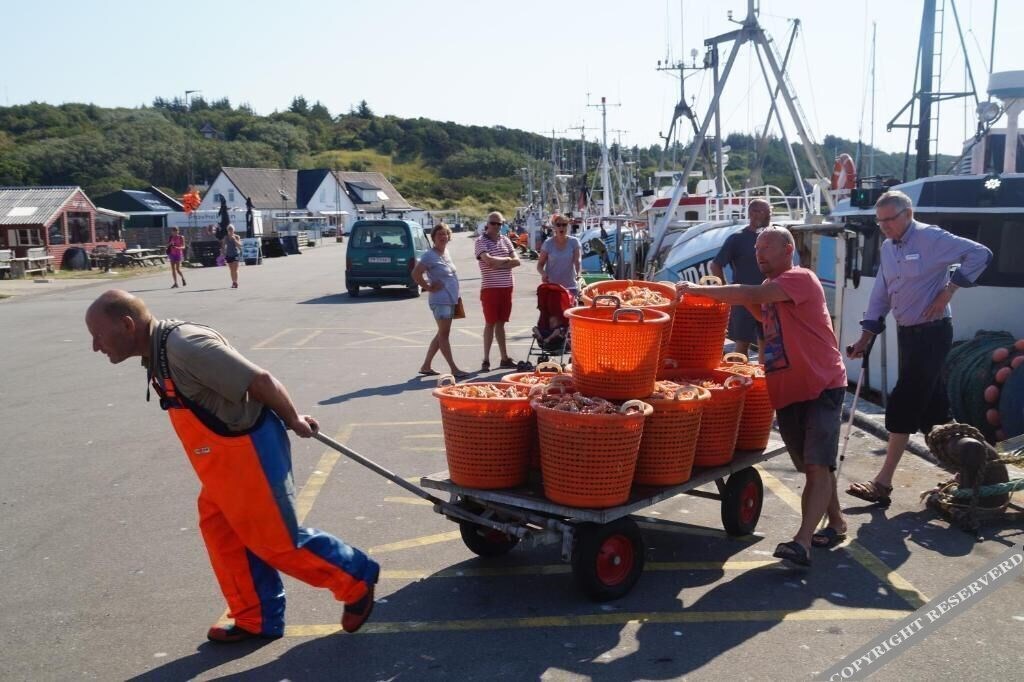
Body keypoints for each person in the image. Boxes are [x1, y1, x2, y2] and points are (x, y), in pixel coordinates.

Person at [84, 290, 379, 642]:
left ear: (127, 324)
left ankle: (355, 577)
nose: (95, 346)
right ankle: (256, 617)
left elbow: (261, 381)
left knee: (276, 540)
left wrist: (293, 418)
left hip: (249, 450)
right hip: (222, 462)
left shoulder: (184, 346)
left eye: (98, 335)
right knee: (222, 532)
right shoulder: (157, 351)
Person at [677, 227, 848, 568]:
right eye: (756, 248)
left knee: (816, 465)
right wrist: (735, 296)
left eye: (766, 246)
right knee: (816, 465)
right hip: (788, 391)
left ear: (788, 249)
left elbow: (748, 292)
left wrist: (697, 290)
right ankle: (837, 522)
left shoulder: (800, 278)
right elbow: (756, 306)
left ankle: (802, 542)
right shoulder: (771, 292)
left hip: (821, 385)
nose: (759, 253)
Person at [845, 190, 992, 505]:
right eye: (879, 221)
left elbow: (980, 253)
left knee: (904, 401)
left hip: (933, 332)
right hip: (908, 334)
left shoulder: (931, 238)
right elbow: (881, 294)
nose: (884, 226)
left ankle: (883, 483)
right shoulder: (888, 247)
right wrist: (864, 338)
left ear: (908, 214)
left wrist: (949, 290)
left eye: (889, 219)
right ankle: (968, 465)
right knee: (933, 408)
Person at [710, 198, 772, 357]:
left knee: (766, 343)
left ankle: (763, 373)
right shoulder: (737, 238)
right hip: (744, 300)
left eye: (769, 212)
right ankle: (738, 372)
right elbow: (716, 265)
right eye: (764, 211)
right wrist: (727, 292)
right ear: (752, 213)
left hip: (768, 299)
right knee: (742, 345)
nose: (768, 215)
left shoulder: (773, 237)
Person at [412, 223, 469, 378]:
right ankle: (454, 369)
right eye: (439, 234)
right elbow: (416, 273)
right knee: (444, 335)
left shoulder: (446, 252)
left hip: (451, 299)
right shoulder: (429, 255)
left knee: (441, 334)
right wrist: (428, 287)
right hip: (440, 300)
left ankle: (426, 366)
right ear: (433, 238)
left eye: (445, 234)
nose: (443, 237)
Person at [475, 211, 521, 371]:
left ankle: (504, 358)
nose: (495, 226)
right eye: (493, 223)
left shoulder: (505, 240)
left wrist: (499, 262)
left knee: (501, 323)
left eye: (499, 224)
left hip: (506, 287)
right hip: (490, 288)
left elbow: (517, 261)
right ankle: (486, 359)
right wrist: (507, 260)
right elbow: (488, 260)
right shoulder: (481, 241)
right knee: (490, 323)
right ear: (487, 224)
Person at [537, 213, 582, 298]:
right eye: (558, 225)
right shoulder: (548, 243)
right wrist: (543, 274)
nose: (561, 227)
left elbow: (577, 261)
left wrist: (578, 274)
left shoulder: (574, 242)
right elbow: (540, 264)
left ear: (567, 226)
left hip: (570, 286)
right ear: (554, 227)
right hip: (552, 286)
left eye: (564, 225)